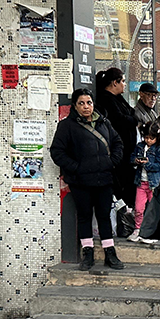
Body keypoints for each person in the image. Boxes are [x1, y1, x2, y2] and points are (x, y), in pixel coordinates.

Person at [49, 88, 126, 271]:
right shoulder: (66, 126)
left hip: (104, 179)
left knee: (104, 216)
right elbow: (57, 152)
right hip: (80, 182)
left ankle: (110, 253)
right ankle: (88, 253)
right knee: (84, 217)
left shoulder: (104, 123)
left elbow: (118, 143)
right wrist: (76, 168)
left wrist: (111, 162)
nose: (86, 107)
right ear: (75, 106)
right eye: (81, 103)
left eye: (89, 102)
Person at [96, 67, 139, 211]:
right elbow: (121, 120)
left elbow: (133, 114)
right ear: (115, 82)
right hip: (118, 149)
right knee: (122, 181)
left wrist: (131, 119)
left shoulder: (118, 98)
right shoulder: (105, 99)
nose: (125, 85)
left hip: (128, 149)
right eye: (123, 81)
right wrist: (131, 120)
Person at [129, 122, 160, 244]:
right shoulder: (139, 146)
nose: (148, 140)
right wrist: (136, 161)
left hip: (153, 184)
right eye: (146, 137)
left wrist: (147, 164)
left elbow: (159, 166)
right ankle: (138, 228)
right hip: (141, 182)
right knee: (139, 208)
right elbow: (131, 158)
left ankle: (151, 231)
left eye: (151, 138)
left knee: (152, 209)